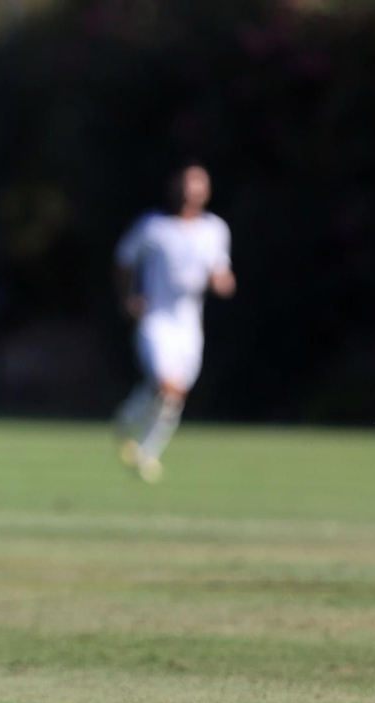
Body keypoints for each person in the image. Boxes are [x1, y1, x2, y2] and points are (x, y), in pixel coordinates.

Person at [112, 162, 235, 483]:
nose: (190, 192)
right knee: (167, 385)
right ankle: (140, 446)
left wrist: (223, 281)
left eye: (198, 185)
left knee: (174, 395)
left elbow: (221, 270)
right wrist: (128, 297)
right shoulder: (153, 227)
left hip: (189, 325)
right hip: (156, 320)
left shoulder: (215, 230)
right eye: (186, 184)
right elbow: (124, 259)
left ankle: (133, 430)